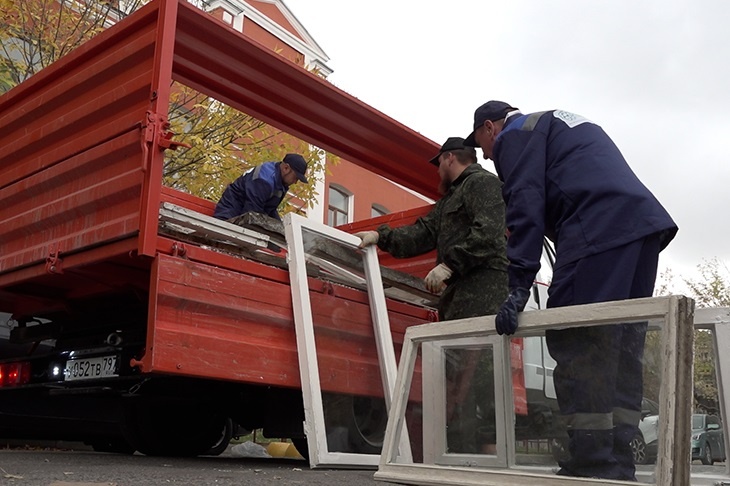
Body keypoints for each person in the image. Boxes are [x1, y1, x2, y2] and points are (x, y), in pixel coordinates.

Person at [464, 100, 678, 480]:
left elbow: (524, 204)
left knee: (580, 336)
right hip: (640, 227)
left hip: (597, 227)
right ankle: (619, 458)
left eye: (482, 146)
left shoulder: (516, 135)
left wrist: (518, 286)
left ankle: (592, 462)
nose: (486, 155)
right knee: (623, 342)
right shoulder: (555, 124)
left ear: (490, 127)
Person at [355, 137, 508, 453]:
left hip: (483, 291)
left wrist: (450, 265)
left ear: (450, 158)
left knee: (478, 376)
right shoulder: (453, 198)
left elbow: (489, 234)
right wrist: (380, 237)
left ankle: (490, 460)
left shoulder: (482, 184)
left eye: (439, 162)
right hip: (460, 297)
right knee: (458, 378)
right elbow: (422, 233)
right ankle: (461, 456)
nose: (438, 169)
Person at [213, 153, 308, 221]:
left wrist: (282, 230)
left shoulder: (280, 181)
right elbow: (251, 213)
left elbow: (270, 210)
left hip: (243, 213)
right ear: (286, 168)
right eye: (296, 177)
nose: (295, 182)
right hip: (229, 214)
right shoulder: (265, 180)